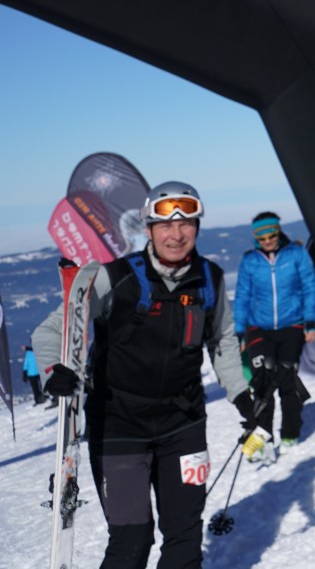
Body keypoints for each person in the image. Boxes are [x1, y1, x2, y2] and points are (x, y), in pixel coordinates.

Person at [33, 180, 254, 569]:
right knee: (132, 540)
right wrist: (54, 371)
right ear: (149, 229)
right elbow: (52, 330)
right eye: (165, 225)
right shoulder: (115, 277)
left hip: (183, 425)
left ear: (197, 227)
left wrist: (240, 393)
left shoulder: (210, 279)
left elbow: (221, 340)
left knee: (185, 536)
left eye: (186, 224)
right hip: (119, 427)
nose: (176, 234)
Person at [234, 210, 315, 456]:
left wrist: (310, 321)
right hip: (258, 327)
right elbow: (242, 296)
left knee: (286, 381)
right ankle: (263, 438)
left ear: (278, 231)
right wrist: (239, 332)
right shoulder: (250, 260)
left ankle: (290, 433)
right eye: (261, 238)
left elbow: (310, 286)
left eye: (271, 236)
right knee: (262, 383)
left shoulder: (296, 254)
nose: (267, 241)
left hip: (292, 325)